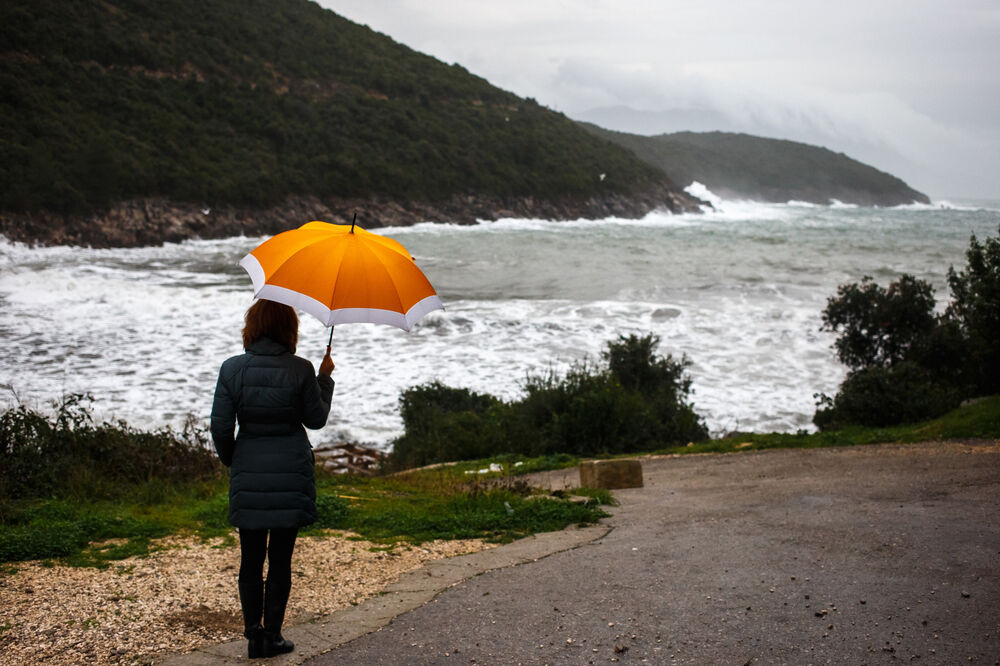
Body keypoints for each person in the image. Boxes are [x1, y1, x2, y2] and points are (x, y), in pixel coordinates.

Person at [210, 299, 335, 659]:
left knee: (250, 559)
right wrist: (324, 379)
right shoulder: (301, 369)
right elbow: (316, 420)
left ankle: (253, 637)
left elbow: (220, 426)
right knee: (281, 559)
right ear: (288, 329)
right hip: (290, 473)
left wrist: (236, 460)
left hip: (249, 468)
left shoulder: (232, 369)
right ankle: (273, 636)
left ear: (252, 326)